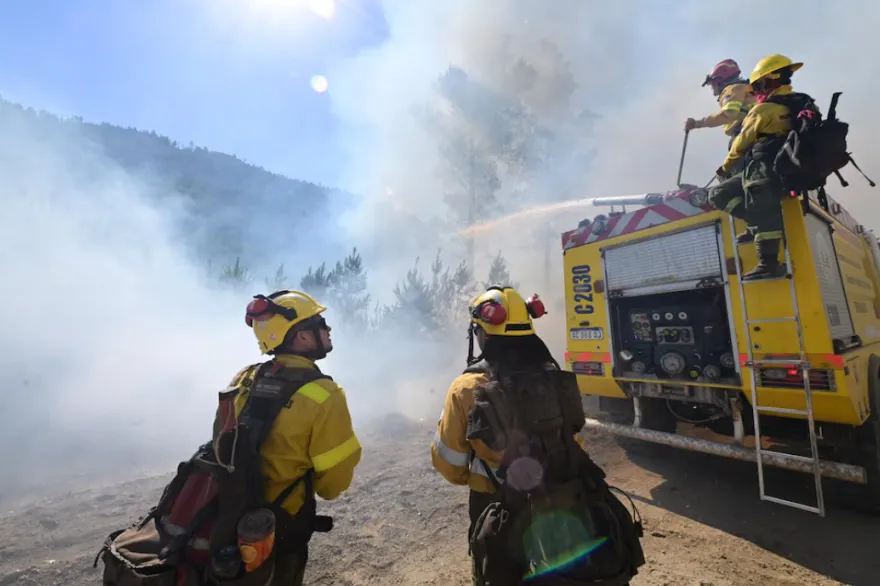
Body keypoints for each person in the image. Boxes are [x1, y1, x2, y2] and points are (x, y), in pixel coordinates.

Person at [431, 286, 644, 586]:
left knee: (499, 574)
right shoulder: (555, 377)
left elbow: (450, 466)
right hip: (567, 493)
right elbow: (573, 441)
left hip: (496, 504)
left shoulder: (466, 387)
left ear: (482, 334)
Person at [234, 289, 363, 585]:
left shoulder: (244, 378)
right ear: (302, 336)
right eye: (320, 323)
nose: (328, 329)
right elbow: (333, 484)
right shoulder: (325, 395)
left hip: (230, 511)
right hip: (283, 526)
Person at [708, 54, 812, 281]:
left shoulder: (763, 110)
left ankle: (768, 263)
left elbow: (740, 144)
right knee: (755, 206)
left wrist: (724, 169)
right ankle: (757, 227)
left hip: (765, 168)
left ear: (765, 82)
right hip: (793, 166)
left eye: (756, 87)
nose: (754, 93)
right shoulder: (804, 103)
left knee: (722, 195)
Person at [685, 59, 756, 174]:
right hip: (752, 131)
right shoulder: (746, 88)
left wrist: (697, 123)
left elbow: (728, 114)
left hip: (743, 134)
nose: (712, 88)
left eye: (712, 84)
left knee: (737, 173)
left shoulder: (732, 89)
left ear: (719, 80)